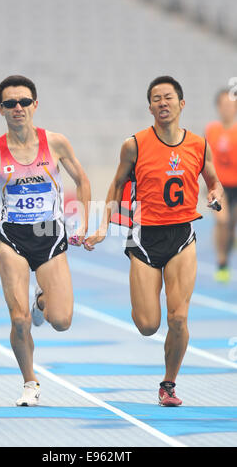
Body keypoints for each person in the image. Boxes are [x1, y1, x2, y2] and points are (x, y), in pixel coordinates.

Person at [84, 76, 223, 406]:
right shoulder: (134, 144)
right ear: (149, 107)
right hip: (143, 238)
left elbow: (213, 181)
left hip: (181, 236)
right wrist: (103, 225)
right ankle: (146, 306)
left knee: (178, 318)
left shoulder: (199, 144)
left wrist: (214, 195)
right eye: (156, 98)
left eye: (169, 97)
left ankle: (168, 384)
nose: (163, 102)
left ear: (181, 104)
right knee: (148, 324)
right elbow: (117, 185)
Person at [0, 75, 91, 406]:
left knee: (61, 321)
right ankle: (30, 381)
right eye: (10, 104)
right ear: (0, 109)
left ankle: (41, 303)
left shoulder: (56, 143)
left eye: (24, 102)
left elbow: (83, 180)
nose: (18, 108)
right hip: (13, 237)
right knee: (18, 320)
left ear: (35, 105)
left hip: (50, 235)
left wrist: (86, 221)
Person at [205, 89, 237, 283]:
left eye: (231, 106)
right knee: (222, 221)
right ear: (218, 107)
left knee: (231, 225)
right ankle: (222, 262)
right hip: (218, 187)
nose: (227, 109)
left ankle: (229, 243)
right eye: (223, 105)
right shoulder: (211, 130)